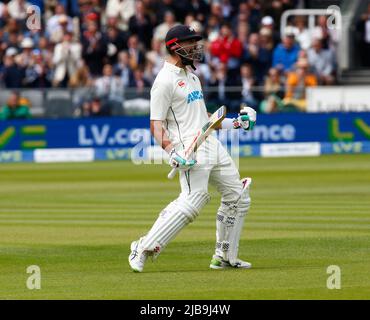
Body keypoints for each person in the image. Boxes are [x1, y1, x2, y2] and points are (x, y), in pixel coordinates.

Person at [128, 24, 257, 273]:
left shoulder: (192, 76)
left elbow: (205, 118)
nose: (196, 48)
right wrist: (171, 151)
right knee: (193, 201)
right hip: (190, 149)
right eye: (190, 43)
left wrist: (236, 123)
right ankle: (142, 246)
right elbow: (155, 125)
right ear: (175, 46)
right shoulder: (164, 81)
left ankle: (224, 255)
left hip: (211, 143)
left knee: (238, 197)